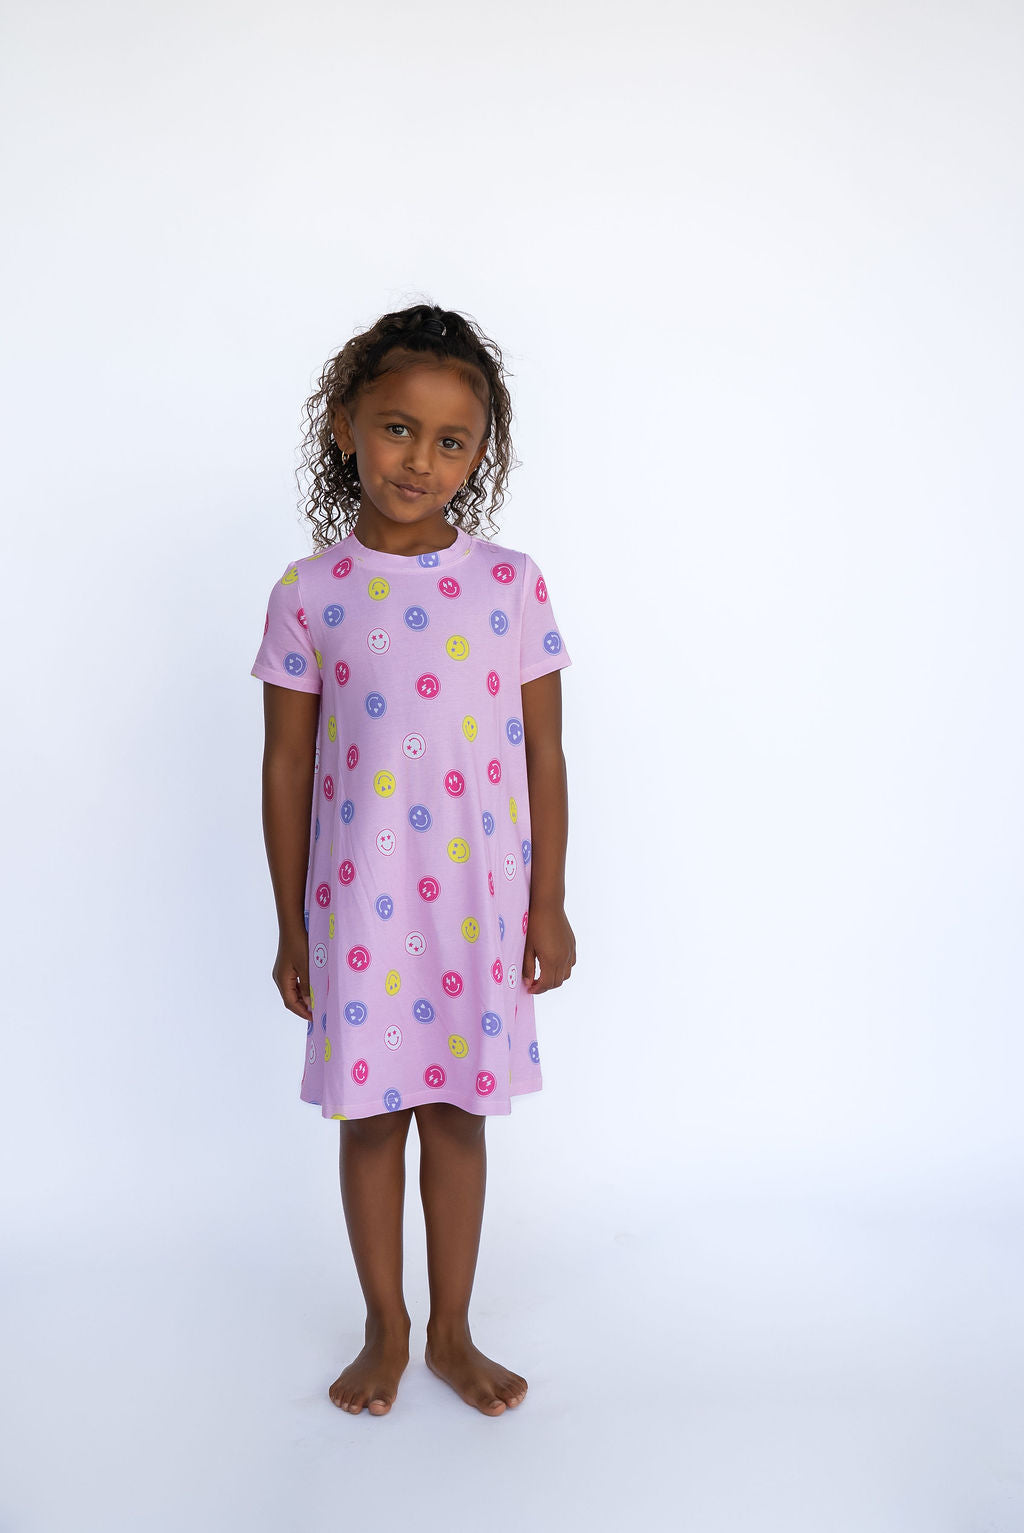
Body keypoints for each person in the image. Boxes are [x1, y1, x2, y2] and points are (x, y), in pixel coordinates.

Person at [250, 302, 575, 1418]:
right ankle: (385, 1325)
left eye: (450, 441)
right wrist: (293, 925)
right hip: (362, 907)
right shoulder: (310, 593)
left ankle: (451, 1330)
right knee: (374, 1115)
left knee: (457, 1115)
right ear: (345, 425)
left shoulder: (510, 586)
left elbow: (545, 750)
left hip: (480, 907)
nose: (419, 460)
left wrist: (550, 905)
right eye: (396, 429)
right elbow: (288, 769)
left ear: (479, 456)